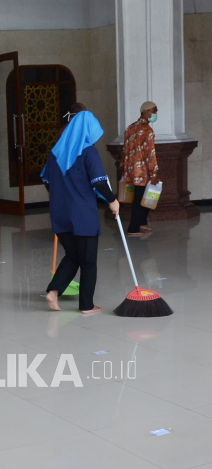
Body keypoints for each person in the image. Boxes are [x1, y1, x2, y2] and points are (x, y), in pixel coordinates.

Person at [43, 111, 120, 315]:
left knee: (73, 255)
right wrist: (113, 201)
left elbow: (47, 181)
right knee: (88, 262)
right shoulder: (88, 152)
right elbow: (99, 182)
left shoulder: (55, 152)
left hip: (60, 213)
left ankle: (53, 291)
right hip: (82, 215)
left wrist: (63, 195)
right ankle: (87, 305)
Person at [121, 101, 160, 236]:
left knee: (143, 195)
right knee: (141, 198)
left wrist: (124, 168)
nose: (155, 114)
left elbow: (125, 150)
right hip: (143, 171)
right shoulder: (147, 131)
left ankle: (142, 222)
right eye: (153, 111)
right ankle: (133, 228)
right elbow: (150, 154)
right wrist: (154, 173)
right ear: (145, 112)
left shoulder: (130, 128)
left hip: (131, 170)